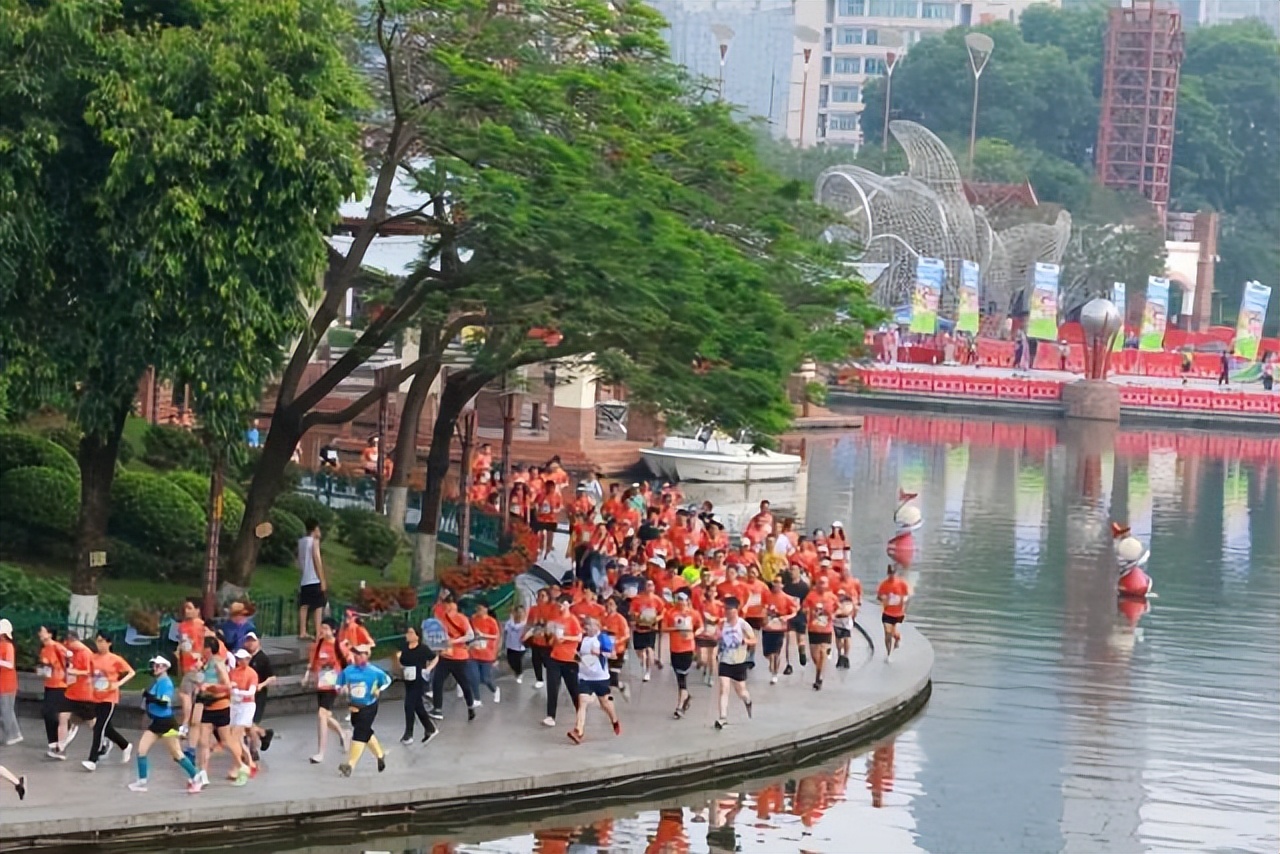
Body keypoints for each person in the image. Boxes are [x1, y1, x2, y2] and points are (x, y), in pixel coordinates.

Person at [128, 655, 203, 793]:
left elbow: (164, 702)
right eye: (154, 666)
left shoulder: (166, 683)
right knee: (141, 750)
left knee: (176, 753)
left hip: (166, 723)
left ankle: (196, 776)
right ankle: (142, 781)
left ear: (164, 668)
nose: (155, 668)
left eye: (158, 666)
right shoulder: (156, 682)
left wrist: (150, 697)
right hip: (156, 722)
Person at [193, 636, 248, 787]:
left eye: (202, 647)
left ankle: (242, 766)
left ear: (208, 649)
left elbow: (228, 686)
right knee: (203, 741)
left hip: (220, 706)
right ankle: (203, 773)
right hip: (208, 706)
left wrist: (210, 686)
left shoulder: (218, 664)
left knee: (226, 740)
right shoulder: (206, 664)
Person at [336, 644, 392, 777]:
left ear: (367, 656)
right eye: (356, 654)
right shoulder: (348, 671)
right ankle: (380, 754)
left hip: (369, 705)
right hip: (354, 706)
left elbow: (387, 680)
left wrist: (379, 689)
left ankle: (350, 765)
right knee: (365, 731)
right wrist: (341, 689)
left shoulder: (374, 671)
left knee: (359, 733)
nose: (358, 657)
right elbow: (339, 683)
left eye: (361, 654)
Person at [83, 630, 134, 772]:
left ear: (109, 643)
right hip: (96, 695)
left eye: (102, 641)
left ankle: (93, 759)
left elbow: (131, 672)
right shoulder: (93, 658)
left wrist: (118, 683)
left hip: (109, 697)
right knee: (107, 729)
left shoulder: (115, 659)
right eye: (97, 641)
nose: (99, 644)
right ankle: (125, 745)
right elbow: (90, 673)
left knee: (99, 727)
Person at [566, 618, 621, 744]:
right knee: (582, 702)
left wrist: (600, 653)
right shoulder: (583, 639)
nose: (585, 629)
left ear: (596, 626)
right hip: (585, 677)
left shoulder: (603, 638)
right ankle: (578, 731)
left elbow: (613, 655)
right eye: (584, 627)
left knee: (605, 703)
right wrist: (576, 658)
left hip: (600, 677)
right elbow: (579, 655)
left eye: (588, 626)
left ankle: (614, 720)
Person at [303, 618, 348, 763]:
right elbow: (313, 663)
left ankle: (321, 752)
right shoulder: (317, 645)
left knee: (322, 715)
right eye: (322, 627)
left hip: (333, 684)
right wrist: (307, 676)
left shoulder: (339, 646)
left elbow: (347, 666)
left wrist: (345, 683)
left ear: (334, 630)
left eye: (326, 628)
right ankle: (343, 733)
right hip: (321, 683)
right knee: (326, 717)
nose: (323, 631)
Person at [430, 597, 476, 722]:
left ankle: (470, 706)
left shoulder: (461, 618)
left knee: (464, 683)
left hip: (459, 657)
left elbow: (470, 635)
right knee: (437, 681)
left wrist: (454, 641)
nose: (448, 606)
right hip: (445, 656)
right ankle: (437, 709)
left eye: (450, 604)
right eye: (446, 604)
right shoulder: (442, 617)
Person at [713, 598, 756, 730]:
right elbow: (716, 637)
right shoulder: (722, 624)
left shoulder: (742, 624)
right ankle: (723, 717)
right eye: (725, 609)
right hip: (725, 659)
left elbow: (754, 639)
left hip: (739, 660)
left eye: (729, 609)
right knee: (723, 688)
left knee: (740, 691)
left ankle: (747, 700)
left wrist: (745, 641)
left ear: (735, 610)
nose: (726, 612)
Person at [36, 625, 75, 759]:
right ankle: (53, 743)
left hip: (59, 684)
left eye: (42, 631)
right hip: (49, 683)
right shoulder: (44, 650)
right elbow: (45, 665)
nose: (40, 634)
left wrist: (68, 672)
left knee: (54, 713)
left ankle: (62, 740)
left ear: (50, 634)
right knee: (47, 712)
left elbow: (69, 657)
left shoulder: (57, 647)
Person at [543, 594, 582, 728]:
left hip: (569, 659)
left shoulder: (573, 620)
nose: (560, 606)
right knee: (552, 687)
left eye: (562, 604)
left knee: (573, 688)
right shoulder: (555, 619)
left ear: (568, 605)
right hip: (555, 657)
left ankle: (580, 712)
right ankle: (550, 715)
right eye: (559, 604)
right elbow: (550, 637)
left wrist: (565, 638)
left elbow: (578, 637)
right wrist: (552, 637)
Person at [662, 591, 702, 719]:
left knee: (682, 677)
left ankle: (679, 707)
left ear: (687, 601)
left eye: (683, 600)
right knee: (679, 675)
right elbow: (664, 628)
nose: (681, 602)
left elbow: (700, 626)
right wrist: (676, 629)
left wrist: (693, 634)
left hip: (687, 648)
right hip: (674, 649)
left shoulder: (693, 613)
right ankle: (686, 696)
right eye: (678, 600)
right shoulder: (670, 613)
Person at [395, 625, 438, 745]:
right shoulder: (405, 648)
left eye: (411, 633)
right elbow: (401, 663)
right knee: (418, 706)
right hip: (408, 678)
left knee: (409, 705)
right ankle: (430, 728)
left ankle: (408, 734)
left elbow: (435, 658)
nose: (408, 635)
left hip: (418, 679)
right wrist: (398, 662)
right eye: (407, 633)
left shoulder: (422, 648)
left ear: (417, 636)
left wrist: (428, 669)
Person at [242, 632, 276, 759]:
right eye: (248, 641)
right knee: (247, 723)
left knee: (250, 722)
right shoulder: (245, 658)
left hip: (258, 695)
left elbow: (272, 677)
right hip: (245, 695)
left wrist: (261, 685)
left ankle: (253, 749)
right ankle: (263, 734)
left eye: (253, 641)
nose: (250, 643)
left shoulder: (263, 658)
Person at [803, 576, 840, 691]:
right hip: (813, 628)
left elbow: (838, 608)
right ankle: (819, 669)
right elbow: (804, 607)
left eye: (824, 583)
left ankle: (819, 677)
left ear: (827, 584)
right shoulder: (811, 596)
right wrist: (807, 612)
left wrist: (834, 614)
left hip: (826, 628)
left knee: (823, 651)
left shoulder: (831, 597)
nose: (821, 585)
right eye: (820, 583)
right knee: (815, 656)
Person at [228, 649, 260, 779]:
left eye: (245, 659)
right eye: (240, 659)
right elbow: (229, 686)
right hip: (235, 706)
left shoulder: (252, 674)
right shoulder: (233, 673)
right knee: (238, 739)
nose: (242, 661)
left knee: (234, 737)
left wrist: (237, 692)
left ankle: (237, 765)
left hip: (247, 706)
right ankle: (250, 763)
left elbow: (251, 692)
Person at [629, 579, 665, 682]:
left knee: (649, 650)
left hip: (651, 628)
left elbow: (662, 612)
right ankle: (643, 662)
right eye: (647, 585)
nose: (649, 587)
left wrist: (657, 619)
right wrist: (637, 616)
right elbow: (632, 612)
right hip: (639, 628)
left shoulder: (657, 600)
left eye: (651, 585)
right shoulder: (637, 599)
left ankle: (647, 671)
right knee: (640, 652)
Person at [297, 519, 329, 641]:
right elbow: (317, 560)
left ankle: (302, 632)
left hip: (304, 578)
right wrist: (322, 579)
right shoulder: (314, 542)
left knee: (304, 605)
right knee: (318, 606)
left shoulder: (301, 542)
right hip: (314, 579)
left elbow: (299, 561)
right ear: (315, 529)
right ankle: (318, 634)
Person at [466, 601, 501, 705]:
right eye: (477, 609)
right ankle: (477, 699)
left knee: (485, 678)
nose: (478, 611)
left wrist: (483, 635)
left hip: (487, 654)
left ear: (486, 609)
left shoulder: (491, 621)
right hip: (473, 652)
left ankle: (495, 690)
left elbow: (495, 636)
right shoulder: (472, 619)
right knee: (474, 676)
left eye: (480, 609)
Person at [877, 564, 912, 661]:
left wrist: (905, 605)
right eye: (890, 573)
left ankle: (898, 639)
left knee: (894, 632)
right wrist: (883, 599)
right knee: (887, 633)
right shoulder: (884, 584)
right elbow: (879, 596)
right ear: (888, 573)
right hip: (887, 612)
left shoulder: (901, 584)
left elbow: (908, 596)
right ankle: (889, 654)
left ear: (895, 573)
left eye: (893, 573)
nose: (891, 575)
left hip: (899, 613)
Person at [0, 618, 20, 745]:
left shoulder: (8, 646)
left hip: (7, 683)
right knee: (6, 709)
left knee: (6, 709)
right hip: (3, 682)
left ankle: (11, 734)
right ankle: (13, 733)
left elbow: (10, 664)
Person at [503, 604, 528, 684]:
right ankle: (517, 672)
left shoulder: (525, 623)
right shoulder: (510, 622)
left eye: (521, 612)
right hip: (510, 645)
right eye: (518, 612)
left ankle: (520, 673)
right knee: (510, 661)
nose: (520, 614)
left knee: (517, 661)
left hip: (520, 647)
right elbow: (506, 631)